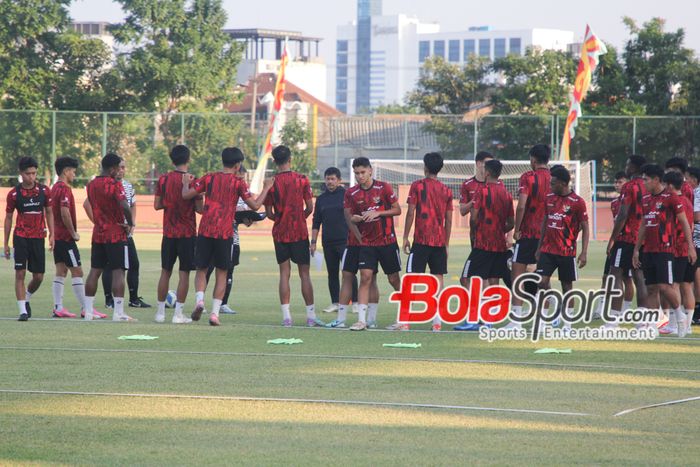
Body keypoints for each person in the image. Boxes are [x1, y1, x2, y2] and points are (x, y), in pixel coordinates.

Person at [183, 147, 271, 326]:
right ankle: (215, 313)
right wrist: (267, 188)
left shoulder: (209, 177)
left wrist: (186, 183)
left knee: (202, 269)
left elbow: (186, 195)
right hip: (225, 232)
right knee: (222, 272)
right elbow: (254, 205)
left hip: (206, 229)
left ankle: (200, 301)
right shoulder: (238, 183)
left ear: (222, 161)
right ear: (238, 165)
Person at [632, 166, 696, 338]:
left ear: (656, 179)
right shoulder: (645, 199)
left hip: (666, 249)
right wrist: (637, 249)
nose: (644, 182)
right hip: (649, 250)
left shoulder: (671, 198)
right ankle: (653, 325)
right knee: (651, 288)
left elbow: (684, 223)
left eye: (646, 179)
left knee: (665, 286)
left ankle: (680, 315)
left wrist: (690, 246)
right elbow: (644, 225)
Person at [263, 145, 321, 327]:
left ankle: (286, 317)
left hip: (280, 232)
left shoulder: (271, 183)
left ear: (274, 161)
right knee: (305, 274)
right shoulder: (302, 180)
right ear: (290, 159)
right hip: (299, 232)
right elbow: (311, 208)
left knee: (284, 274)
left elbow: (269, 213)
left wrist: (281, 219)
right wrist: (299, 218)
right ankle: (311, 317)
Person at [345, 157, 402, 331]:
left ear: (370, 170)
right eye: (356, 173)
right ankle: (362, 320)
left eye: (362, 172)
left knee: (393, 279)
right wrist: (356, 221)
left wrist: (379, 213)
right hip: (367, 243)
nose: (360, 176)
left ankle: (404, 317)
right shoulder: (351, 193)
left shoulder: (383, 187)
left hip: (387, 242)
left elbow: (397, 209)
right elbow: (350, 217)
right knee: (365, 278)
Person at [456, 159, 513, 331]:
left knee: (466, 278)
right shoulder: (506, 193)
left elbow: (473, 217)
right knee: (494, 279)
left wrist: (476, 232)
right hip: (499, 245)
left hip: (482, 244)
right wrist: (500, 231)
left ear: (487, 173)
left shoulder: (481, 191)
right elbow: (511, 221)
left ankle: (475, 318)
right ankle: (487, 319)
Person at [534, 165, 589, 333]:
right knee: (541, 283)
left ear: (564, 183)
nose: (550, 186)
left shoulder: (577, 202)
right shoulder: (549, 198)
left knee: (567, 287)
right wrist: (539, 247)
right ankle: (542, 322)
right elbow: (545, 221)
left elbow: (585, 227)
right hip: (547, 250)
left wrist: (584, 252)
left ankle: (567, 324)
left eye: (553, 183)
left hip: (567, 252)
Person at [50, 156, 107, 319]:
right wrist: (73, 233)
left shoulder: (54, 188)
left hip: (58, 237)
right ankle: (86, 308)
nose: (74, 175)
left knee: (61, 271)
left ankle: (58, 307)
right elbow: (64, 212)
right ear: (66, 171)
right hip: (66, 238)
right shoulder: (64, 189)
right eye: (73, 172)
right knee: (78, 272)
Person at [402, 152, 453, 332]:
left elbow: (410, 213)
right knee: (438, 278)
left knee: (411, 279)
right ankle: (437, 322)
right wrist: (446, 243)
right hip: (439, 242)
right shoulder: (447, 190)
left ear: (425, 167)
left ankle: (405, 321)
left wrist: (405, 236)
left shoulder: (417, 186)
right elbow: (449, 220)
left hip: (421, 240)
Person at [82, 153, 135, 321]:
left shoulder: (91, 185)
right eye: (118, 167)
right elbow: (124, 204)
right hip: (115, 233)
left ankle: (88, 311)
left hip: (98, 232)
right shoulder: (114, 184)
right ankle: (118, 312)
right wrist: (130, 222)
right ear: (112, 169)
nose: (120, 171)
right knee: (119, 271)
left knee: (95, 270)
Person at [153, 145, 201, 324]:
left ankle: (160, 313)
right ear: (188, 159)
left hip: (169, 233)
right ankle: (178, 314)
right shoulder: (193, 180)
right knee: (184, 274)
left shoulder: (163, 179)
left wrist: (170, 203)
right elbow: (200, 209)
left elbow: (157, 205)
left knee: (165, 271)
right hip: (187, 233)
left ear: (172, 160)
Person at [205, 165, 261, 315]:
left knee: (229, 271)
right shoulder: (226, 190)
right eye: (240, 176)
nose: (242, 180)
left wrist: (248, 219)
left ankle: (223, 303)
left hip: (233, 239)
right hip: (217, 235)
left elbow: (246, 215)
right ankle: (201, 302)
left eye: (244, 177)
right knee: (208, 269)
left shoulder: (244, 195)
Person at [4, 156, 54, 321]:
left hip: (38, 237)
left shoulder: (44, 191)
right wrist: (5, 242)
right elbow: (9, 218)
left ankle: (26, 296)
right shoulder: (14, 194)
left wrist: (52, 234)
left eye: (34, 173)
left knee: (38, 276)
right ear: (21, 173)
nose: (31, 177)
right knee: (20, 273)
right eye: (28, 174)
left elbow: (49, 212)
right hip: (21, 237)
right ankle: (22, 311)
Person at [509, 144, 551, 326]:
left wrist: (517, 230)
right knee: (544, 275)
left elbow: (521, 206)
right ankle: (546, 317)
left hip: (528, 232)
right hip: (548, 234)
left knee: (517, 274)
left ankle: (516, 319)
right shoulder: (554, 177)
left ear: (533, 159)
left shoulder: (528, 177)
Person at [605, 155, 648, 326]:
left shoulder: (629, 186)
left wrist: (612, 239)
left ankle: (613, 321)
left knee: (616, 273)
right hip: (644, 238)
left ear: (634, 168)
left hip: (627, 237)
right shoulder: (648, 186)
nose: (626, 167)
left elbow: (622, 215)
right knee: (640, 277)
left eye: (628, 165)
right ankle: (642, 321)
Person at [102, 159, 150, 309]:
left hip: (126, 233)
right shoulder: (106, 185)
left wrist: (132, 224)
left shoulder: (128, 186)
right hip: (112, 232)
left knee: (134, 264)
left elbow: (132, 205)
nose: (122, 170)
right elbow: (88, 204)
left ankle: (134, 299)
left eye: (124, 167)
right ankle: (109, 300)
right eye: (120, 167)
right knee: (111, 266)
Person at [311, 167, 358, 314]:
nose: (330, 182)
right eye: (328, 179)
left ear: (339, 180)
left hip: (345, 241)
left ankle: (355, 302)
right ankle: (335, 302)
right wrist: (313, 242)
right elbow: (316, 221)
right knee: (332, 273)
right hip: (328, 242)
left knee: (349, 272)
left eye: (333, 179)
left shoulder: (346, 195)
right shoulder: (321, 199)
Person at [593, 171, 634, 319]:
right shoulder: (614, 203)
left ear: (628, 182)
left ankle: (625, 309)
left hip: (629, 243)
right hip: (617, 243)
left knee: (627, 278)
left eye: (620, 182)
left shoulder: (632, 201)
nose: (617, 185)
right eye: (616, 182)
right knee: (607, 276)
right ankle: (600, 307)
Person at [660, 173, 696, 335]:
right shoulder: (688, 201)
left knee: (672, 285)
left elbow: (675, 226)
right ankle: (686, 325)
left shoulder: (674, 202)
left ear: (669, 185)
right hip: (685, 248)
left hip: (675, 248)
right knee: (684, 285)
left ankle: (675, 324)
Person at [459, 151, 493, 245]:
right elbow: (462, 211)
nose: (490, 167)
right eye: (487, 164)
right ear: (478, 164)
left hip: (494, 232)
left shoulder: (497, 184)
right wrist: (475, 200)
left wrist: (509, 236)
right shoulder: (467, 185)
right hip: (476, 233)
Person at [688, 166, 700, 325]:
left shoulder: (697, 193)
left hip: (698, 236)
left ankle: (697, 309)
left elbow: (697, 216)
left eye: (689, 178)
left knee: (696, 270)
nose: (686, 181)